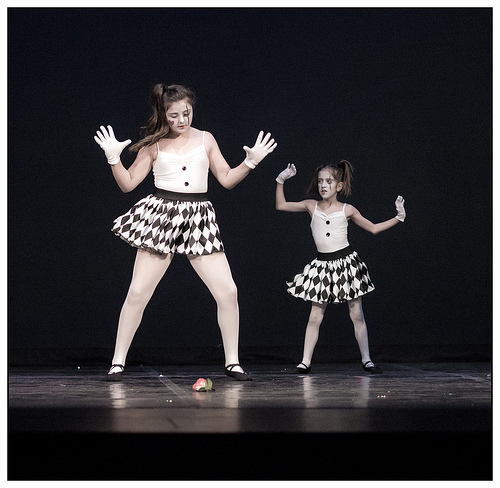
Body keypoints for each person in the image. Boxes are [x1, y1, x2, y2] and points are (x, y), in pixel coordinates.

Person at [94, 83, 277, 381]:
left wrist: (250, 162)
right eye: (174, 116)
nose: (182, 120)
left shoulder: (206, 139)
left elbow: (226, 179)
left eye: (186, 113)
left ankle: (232, 362)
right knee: (138, 292)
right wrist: (114, 159)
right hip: (163, 216)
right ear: (163, 115)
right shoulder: (154, 145)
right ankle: (117, 362)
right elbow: (127, 184)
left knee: (228, 291)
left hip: (198, 217)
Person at [275, 161, 405, 374]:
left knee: (356, 314)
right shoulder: (311, 206)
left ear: (339, 186)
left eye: (328, 181)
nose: (323, 185)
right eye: (320, 181)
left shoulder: (347, 210)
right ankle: (305, 361)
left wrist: (398, 218)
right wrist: (280, 180)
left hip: (346, 265)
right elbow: (281, 205)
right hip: (322, 266)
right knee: (315, 316)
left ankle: (367, 360)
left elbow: (373, 228)